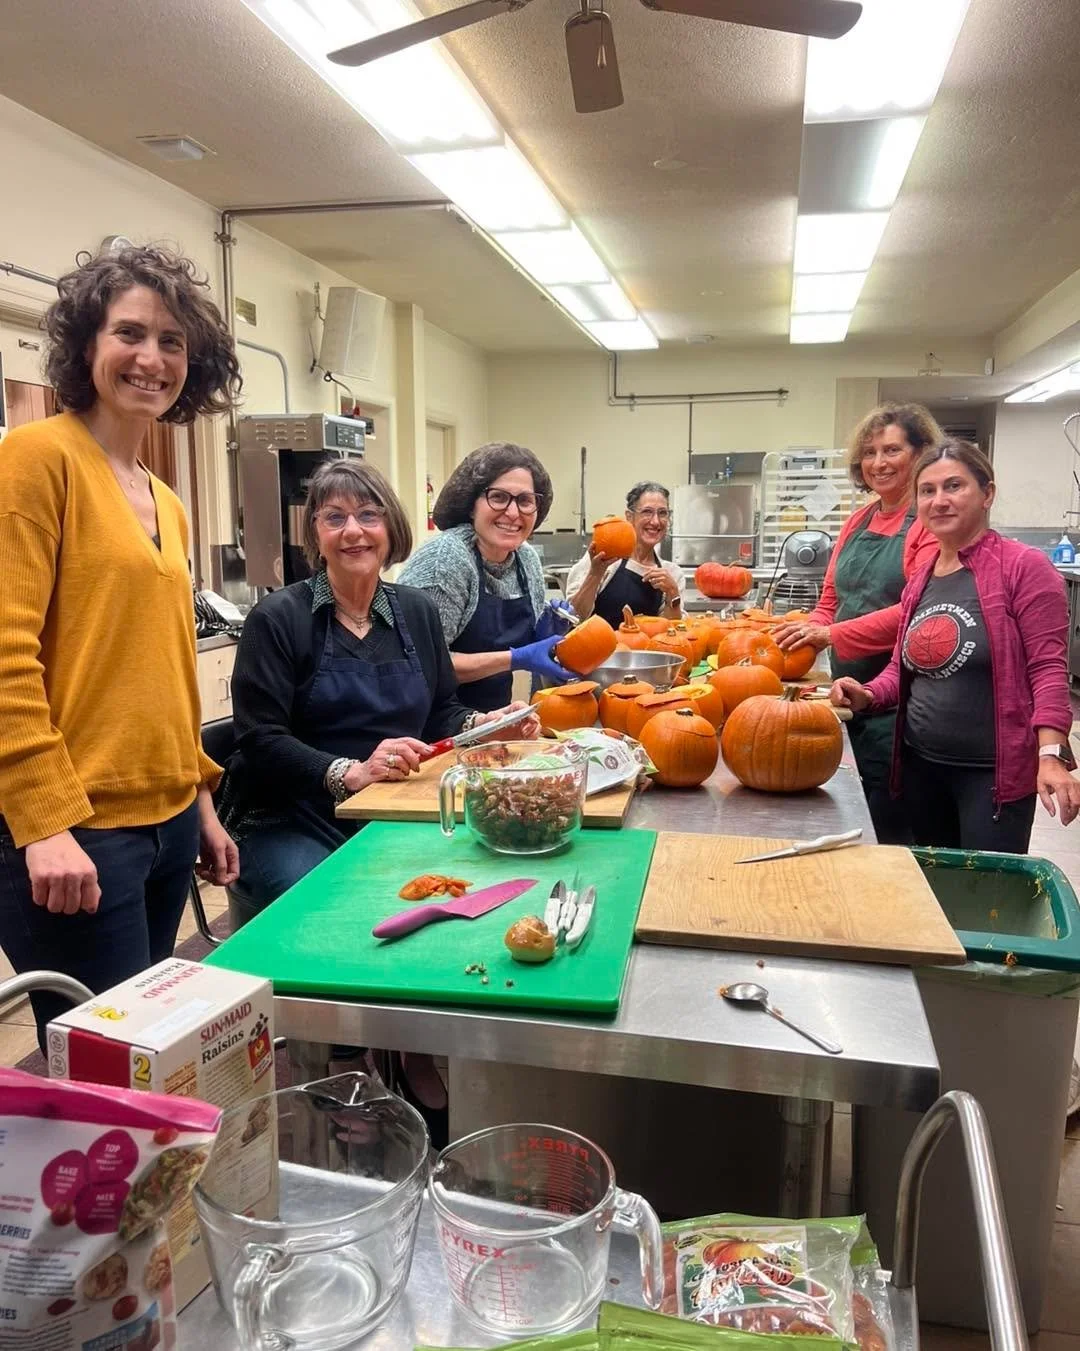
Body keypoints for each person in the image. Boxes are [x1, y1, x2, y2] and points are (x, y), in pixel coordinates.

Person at [0, 245, 241, 1046]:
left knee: (154, 1053)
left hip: (167, 818)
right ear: (85, 345)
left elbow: (167, 667)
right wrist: (42, 823)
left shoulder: (165, 500)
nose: (151, 358)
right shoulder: (35, 461)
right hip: (77, 831)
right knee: (108, 1074)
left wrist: (201, 797)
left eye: (172, 342)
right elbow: (6, 657)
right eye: (129, 333)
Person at [225, 457, 540, 910]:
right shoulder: (278, 618)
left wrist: (484, 725)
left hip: (394, 807)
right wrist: (349, 772)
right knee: (330, 904)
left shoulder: (416, 612)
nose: (353, 531)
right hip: (289, 816)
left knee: (471, 883)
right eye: (335, 518)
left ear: (390, 528)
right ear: (316, 534)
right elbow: (259, 738)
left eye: (368, 516)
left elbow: (439, 711)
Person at [832, 439, 1080, 853]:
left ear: (988, 494)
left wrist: (1051, 754)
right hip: (920, 769)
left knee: (987, 896)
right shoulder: (923, 578)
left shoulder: (1023, 568)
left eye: (954, 487)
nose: (939, 501)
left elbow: (1048, 670)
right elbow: (901, 669)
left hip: (990, 778)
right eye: (927, 491)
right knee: (935, 889)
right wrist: (868, 693)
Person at [773, 403, 943, 842]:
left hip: (904, 697)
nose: (878, 463)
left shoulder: (929, 524)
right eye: (869, 453)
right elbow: (831, 598)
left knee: (894, 819)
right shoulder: (858, 520)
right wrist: (806, 634)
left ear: (922, 452)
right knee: (858, 803)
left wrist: (830, 634)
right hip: (847, 691)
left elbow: (915, 611)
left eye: (891, 450)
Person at [397, 443, 572, 710]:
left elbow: (518, 647)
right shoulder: (445, 560)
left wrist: (543, 634)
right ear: (470, 505)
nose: (513, 513)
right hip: (427, 724)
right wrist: (517, 659)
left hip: (490, 720)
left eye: (525, 501)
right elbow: (420, 664)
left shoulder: (526, 560)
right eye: (499, 497)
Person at [566, 481, 685, 628]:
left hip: (643, 651)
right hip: (596, 648)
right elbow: (572, 618)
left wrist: (673, 593)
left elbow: (669, 635)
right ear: (629, 516)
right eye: (647, 512)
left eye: (662, 513)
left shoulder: (672, 573)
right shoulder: (605, 559)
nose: (655, 521)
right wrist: (595, 575)